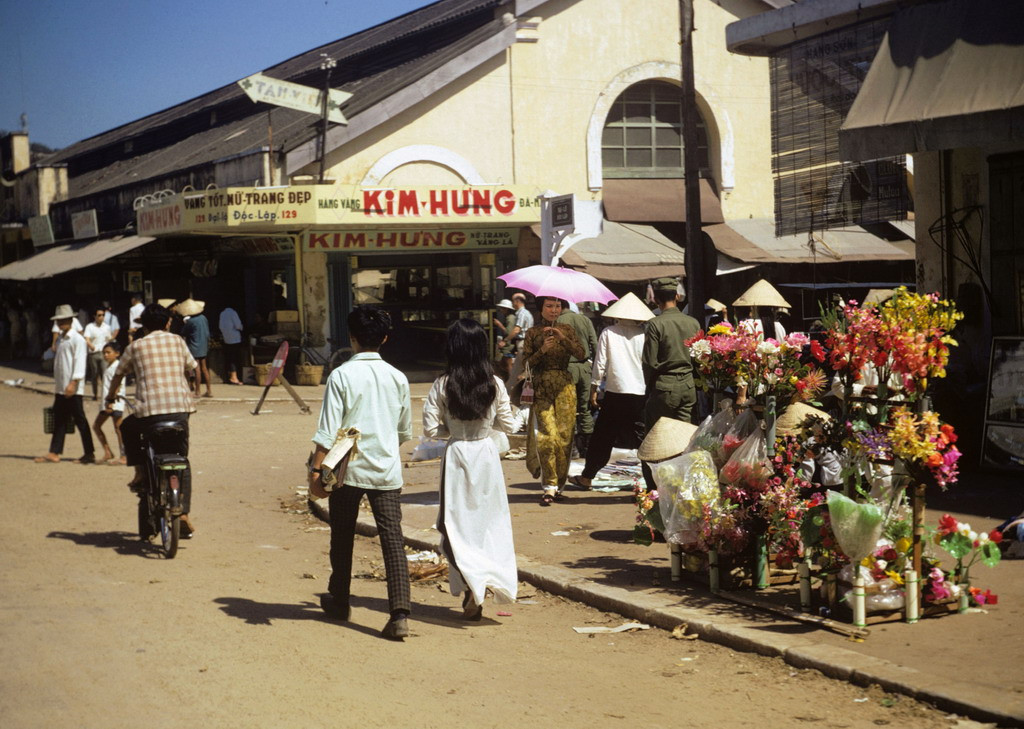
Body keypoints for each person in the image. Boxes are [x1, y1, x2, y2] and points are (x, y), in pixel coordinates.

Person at [308, 307, 413, 641]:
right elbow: (402, 431)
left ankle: (339, 599)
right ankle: (399, 613)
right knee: (393, 540)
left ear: (351, 337)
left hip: (346, 471)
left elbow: (327, 431)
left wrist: (316, 471)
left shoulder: (341, 375)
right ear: (384, 338)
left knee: (341, 534)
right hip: (386, 471)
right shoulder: (398, 377)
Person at [423, 319, 520, 620]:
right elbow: (511, 425)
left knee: (455, 526)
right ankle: (484, 581)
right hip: (486, 457)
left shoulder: (442, 384)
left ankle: (470, 585)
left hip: (456, 457)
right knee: (489, 525)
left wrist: (452, 430)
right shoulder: (495, 383)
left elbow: (429, 429)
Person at [106, 303, 198, 536]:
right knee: (181, 459)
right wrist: (188, 386)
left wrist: (110, 395)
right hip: (179, 412)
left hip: (148, 414)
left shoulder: (136, 346)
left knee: (126, 426)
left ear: (144, 326)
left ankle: (139, 471)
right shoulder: (178, 341)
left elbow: (118, 374)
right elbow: (192, 368)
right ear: (168, 323)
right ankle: (184, 512)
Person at [568, 292, 652, 490]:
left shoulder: (608, 332)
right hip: (640, 391)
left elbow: (600, 363)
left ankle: (587, 476)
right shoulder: (645, 334)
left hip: (616, 391)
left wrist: (594, 388)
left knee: (603, 436)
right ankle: (654, 483)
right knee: (644, 438)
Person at [521, 296, 585, 505]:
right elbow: (527, 364)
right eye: (549, 306)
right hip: (541, 388)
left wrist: (562, 339)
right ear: (541, 310)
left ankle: (559, 484)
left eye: (557, 306)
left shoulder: (566, 329)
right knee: (548, 436)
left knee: (565, 437)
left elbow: (582, 354)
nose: (554, 310)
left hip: (565, 386)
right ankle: (549, 485)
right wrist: (543, 350)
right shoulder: (532, 333)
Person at [35, 305, 96, 464]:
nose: (62, 323)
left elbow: (79, 362)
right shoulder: (61, 339)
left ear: (71, 320)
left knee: (80, 420)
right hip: (61, 386)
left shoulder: (77, 339)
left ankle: (89, 453)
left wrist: (74, 382)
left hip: (72, 387)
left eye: (64, 320)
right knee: (59, 419)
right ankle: (54, 452)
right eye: (59, 321)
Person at [642, 277, 701, 429]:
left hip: (664, 386)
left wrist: (649, 388)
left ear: (655, 299)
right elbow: (700, 358)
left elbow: (649, 362)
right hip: (688, 386)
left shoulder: (655, 324)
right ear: (677, 296)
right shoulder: (693, 323)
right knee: (683, 433)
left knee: (658, 435)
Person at [557, 302, 598, 457]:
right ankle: (587, 448)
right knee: (585, 407)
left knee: (567, 408)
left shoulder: (557, 323)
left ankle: (572, 448)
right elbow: (595, 343)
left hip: (567, 368)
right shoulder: (585, 320)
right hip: (585, 368)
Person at [93, 341, 126, 464]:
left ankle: (124, 455)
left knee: (118, 428)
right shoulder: (109, 366)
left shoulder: (117, 366)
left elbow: (117, 384)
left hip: (114, 402)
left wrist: (111, 402)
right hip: (107, 402)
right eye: (104, 353)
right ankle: (108, 452)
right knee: (97, 426)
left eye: (108, 352)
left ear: (117, 353)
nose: (106, 355)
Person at [179, 299, 213, 398]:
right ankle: (209, 390)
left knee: (196, 369)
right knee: (204, 368)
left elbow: (183, 333)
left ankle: (197, 391)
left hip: (194, 346)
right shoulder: (204, 318)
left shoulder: (191, 321)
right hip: (203, 345)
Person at [502, 292, 534, 397]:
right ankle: (509, 394)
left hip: (523, 343)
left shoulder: (522, 313)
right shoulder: (527, 313)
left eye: (513, 301)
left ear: (517, 301)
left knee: (523, 371)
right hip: (525, 343)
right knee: (519, 370)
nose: (512, 304)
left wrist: (505, 340)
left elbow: (516, 330)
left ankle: (512, 394)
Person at [83, 307, 113, 400]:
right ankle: (95, 394)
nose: (101, 317)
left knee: (105, 374)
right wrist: (90, 345)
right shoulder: (90, 327)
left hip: (104, 354)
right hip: (94, 353)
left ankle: (106, 394)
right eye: (99, 315)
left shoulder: (107, 327)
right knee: (95, 375)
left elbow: (109, 339)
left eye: (103, 315)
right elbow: (86, 338)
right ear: (94, 316)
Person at [218, 305, 244, 385]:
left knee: (229, 358)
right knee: (235, 359)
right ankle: (234, 377)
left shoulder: (222, 314)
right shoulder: (233, 313)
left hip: (227, 339)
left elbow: (220, 326)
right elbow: (238, 325)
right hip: (235, 339)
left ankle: (231, 376)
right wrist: (241, 328)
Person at [492, 298, 516, 379]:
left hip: (508, 347)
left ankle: (510, 380)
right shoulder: (508, 317)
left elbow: (509, 333)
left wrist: (499, 324)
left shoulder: (510, 318)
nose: (500, 310)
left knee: (506, 363)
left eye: (502, 308)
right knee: (503, 364)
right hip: (507, 346)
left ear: (506, 309)